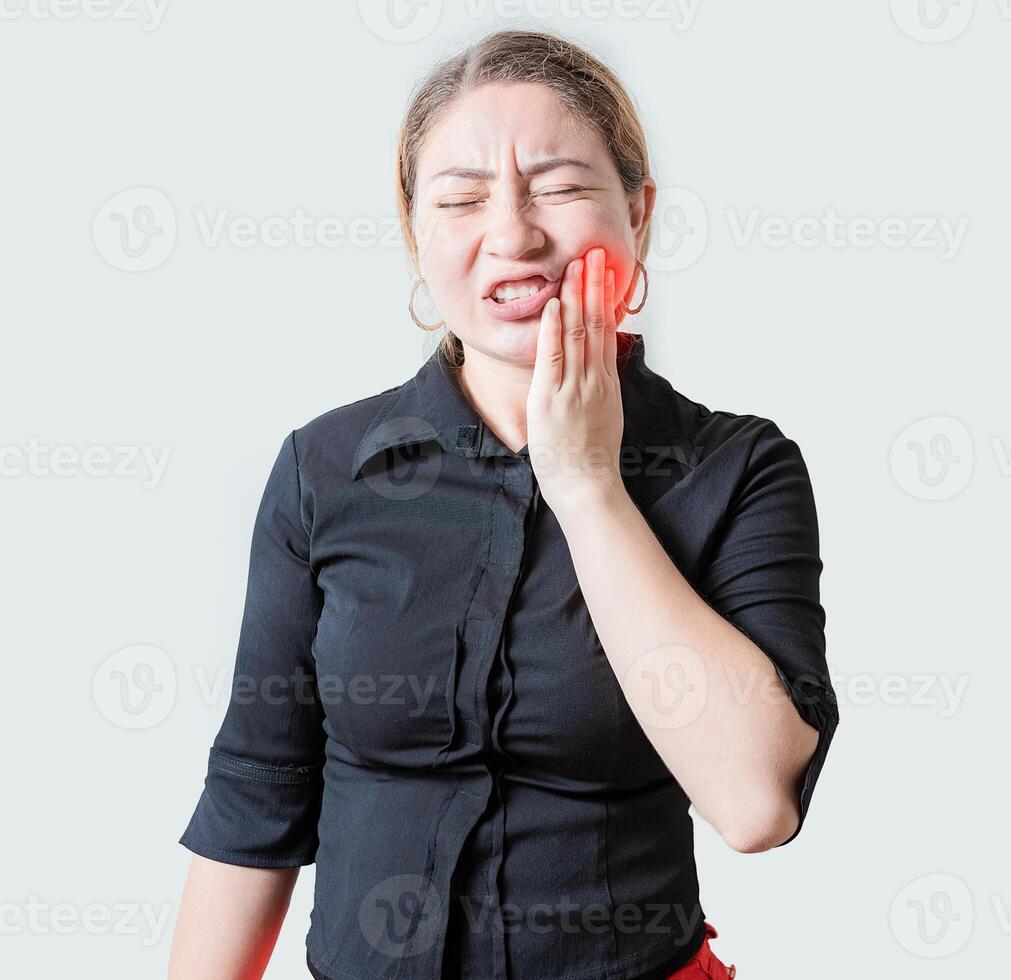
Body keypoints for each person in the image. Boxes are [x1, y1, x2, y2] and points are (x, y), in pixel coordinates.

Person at [167, 29, 838, 980]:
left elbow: (754, 803)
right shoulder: (325, 469)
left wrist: (586, 485)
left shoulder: (734, 467)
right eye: (461, 199)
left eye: (560, 188)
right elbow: (256, 793)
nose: (514, 234)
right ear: (415, 234)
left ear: (637, 216)